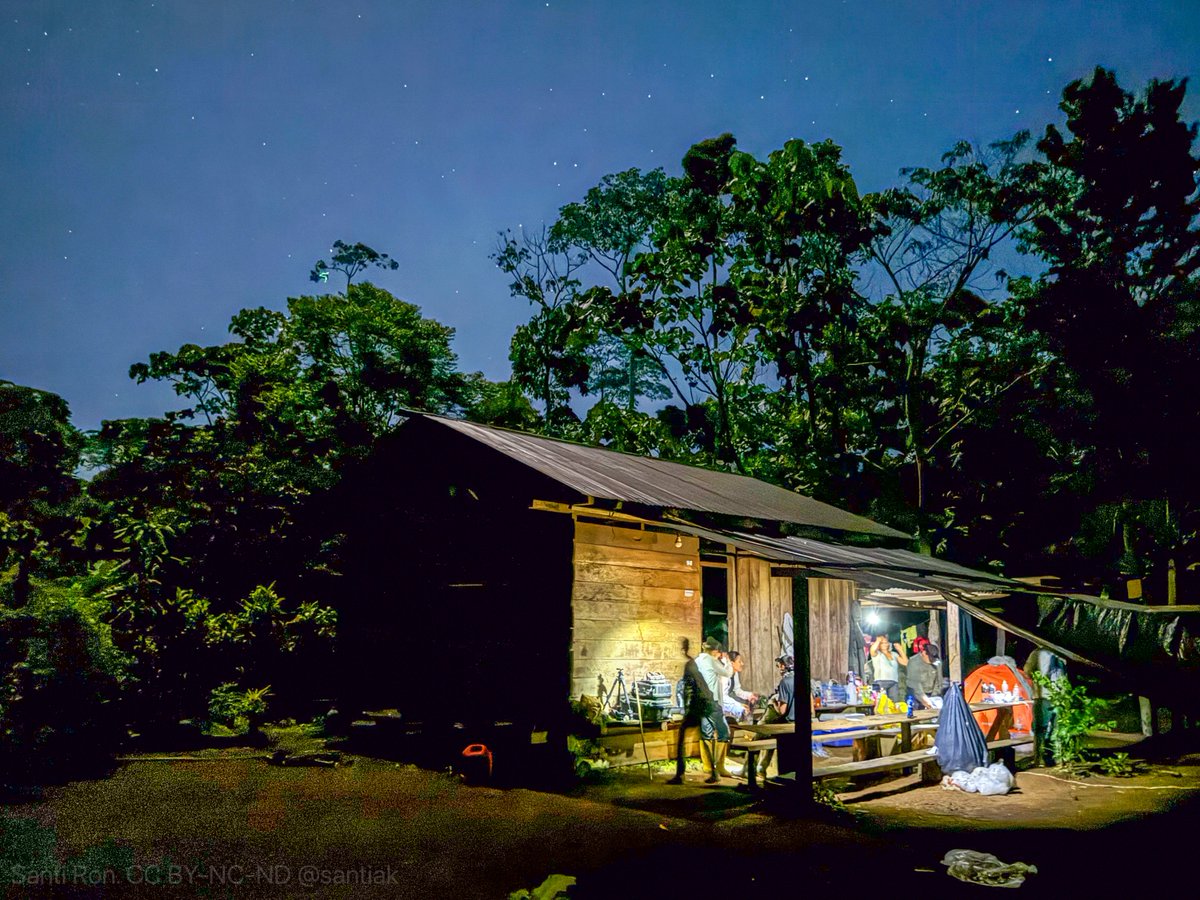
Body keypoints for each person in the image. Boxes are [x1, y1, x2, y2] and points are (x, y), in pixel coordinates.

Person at [667, 638, 715, 785]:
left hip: (699, 704)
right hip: (706, 702)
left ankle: (680, 774)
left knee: (682, 734)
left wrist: (687, 709)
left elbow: (690, 688)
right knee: (705, 737)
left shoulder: (690, 665)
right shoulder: (697, 663)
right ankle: (715, 772)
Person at [694, 636, 734, 782]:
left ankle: (708, 766)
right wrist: (728, 661)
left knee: (706, 732)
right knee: (724, 732)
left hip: (701, 701)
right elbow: (728, 673)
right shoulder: (711, 660)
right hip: (713, 701)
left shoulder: (697, 661)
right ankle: (720, 766)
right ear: (715, 651)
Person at [1024, 647, 1066, 764]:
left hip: (1048, 696)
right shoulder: (1059, 651)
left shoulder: (1038, 653)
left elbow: (1027, 670)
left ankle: (1042, 758)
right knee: (1053, 728)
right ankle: (1053, 757)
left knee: (1042, 729)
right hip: (1054, 695)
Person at [756, 655, 795, 778]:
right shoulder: (804, 679)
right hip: (801, 725)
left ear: (784, 666)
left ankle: (755, 768)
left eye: (779, 666)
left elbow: (782, 710)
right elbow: (810, 706)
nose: (779, 668)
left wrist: (773, 703)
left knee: (762, 731)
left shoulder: (785, 682)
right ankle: (761, 767)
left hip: (788, 725)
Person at [720, 650, 758, 723]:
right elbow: (722, 697)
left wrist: (749, 695)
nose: (742, 664)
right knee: (742, 711)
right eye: (739, 662)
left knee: (746, 710)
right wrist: (738, 705)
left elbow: (737, 691)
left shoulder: (734, 673)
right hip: (719, 703)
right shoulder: (724, 675)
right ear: (732, 663)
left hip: (727, 702)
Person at [905, 641, 943, 709]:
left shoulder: (937, 662)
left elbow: (939, 681)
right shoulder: (913, 662)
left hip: (930, 693)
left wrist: (934, 696)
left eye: (933, 658)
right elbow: (915, 684)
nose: (932, 661)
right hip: (915, 693)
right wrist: (924, 699)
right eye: (930, 658)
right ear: (924, 653)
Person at [870, 634, 906, 701]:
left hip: (893, 681)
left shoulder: (894, 654)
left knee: (893, 703)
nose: (884, 644)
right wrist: (878, 640)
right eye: (882, 643)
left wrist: (900, 650)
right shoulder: (877, 654)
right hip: (880, 682)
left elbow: (905, 662)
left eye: (886, 642)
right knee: (880, 703)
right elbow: (872, 649)